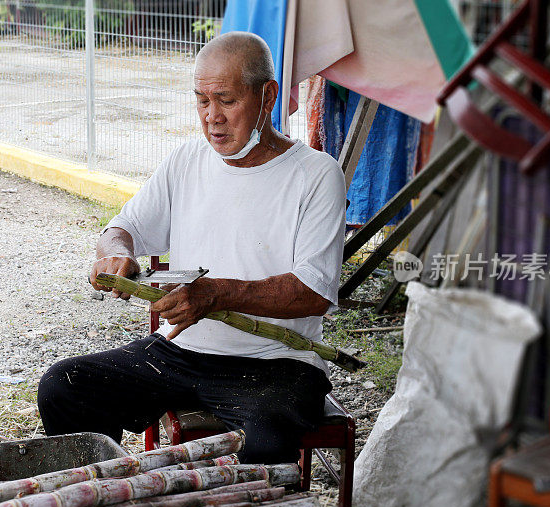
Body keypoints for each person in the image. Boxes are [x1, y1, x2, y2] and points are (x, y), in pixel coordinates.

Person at [38, 31, 346, 464]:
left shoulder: (315, 175)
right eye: (202, 101)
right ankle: (110, 500)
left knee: (266, 437)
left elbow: (312, 293)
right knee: (65, 386)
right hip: (181, 350)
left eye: (226, 100)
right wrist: (116, 252)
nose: (212, 117)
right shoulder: (187, 160)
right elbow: (121, 228)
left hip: (277, 362)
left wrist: (215, 293)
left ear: (267, 96)